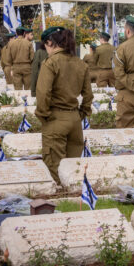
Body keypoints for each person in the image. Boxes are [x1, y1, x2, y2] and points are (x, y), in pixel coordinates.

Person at [35, 27, 93, 183]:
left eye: (45, 46)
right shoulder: (80, 64)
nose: (46, 50)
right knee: (73, 167)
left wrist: (43, 115)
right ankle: (73, 198)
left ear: (50, 42)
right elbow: (88, 95)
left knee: (55, 169)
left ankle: (60, 199)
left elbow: (43, 93)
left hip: (55, 118)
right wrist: (81, 114)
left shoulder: (50, 63)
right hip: (74, 119)